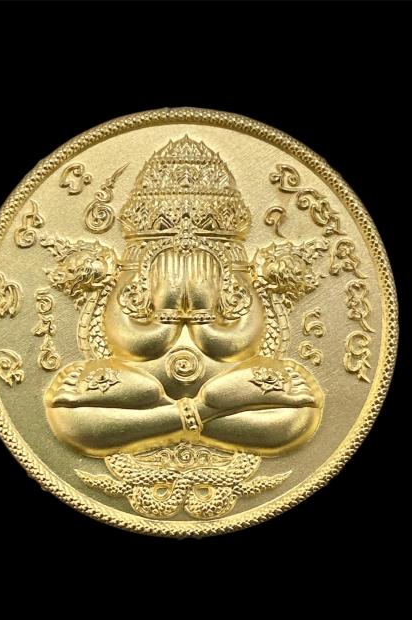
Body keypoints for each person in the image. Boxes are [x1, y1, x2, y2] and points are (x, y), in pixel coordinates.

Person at [45, 137, 323, 457]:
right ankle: (201, 416)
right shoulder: (134, 269)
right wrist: (167, 311)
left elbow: (243, 342)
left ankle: (162, 422)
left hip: (231, 384)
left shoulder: (234, 270)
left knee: (300, 411)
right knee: (70, 412)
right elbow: (128, 341)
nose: (186, 242)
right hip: (135, 385)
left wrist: (203, 312)